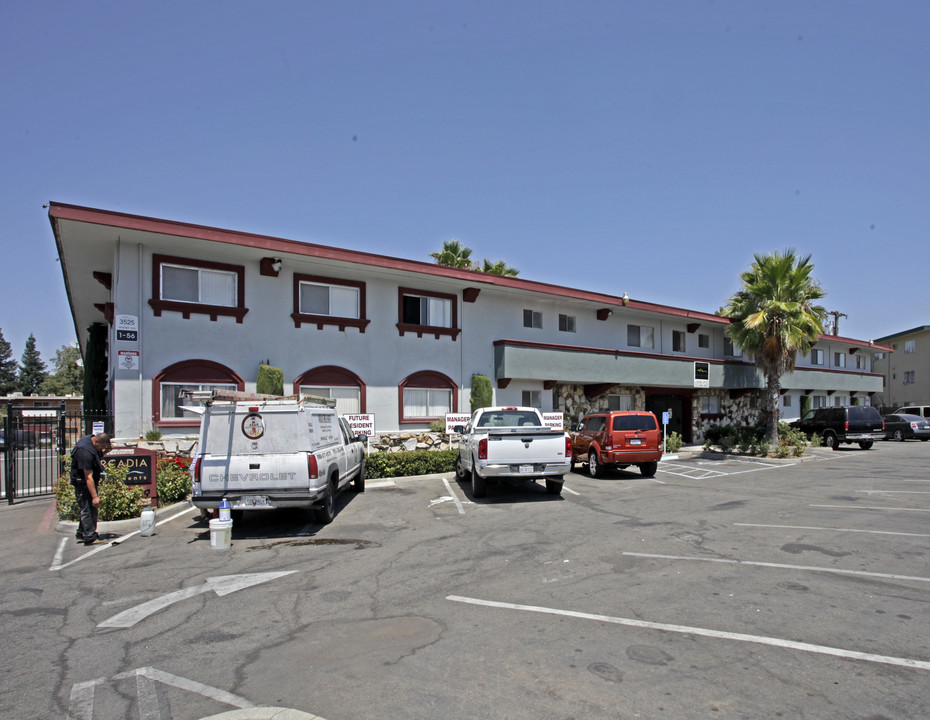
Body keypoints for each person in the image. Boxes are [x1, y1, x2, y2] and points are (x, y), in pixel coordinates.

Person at [70, 432, 112, 545]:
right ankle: (90, 537)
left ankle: (81, 533)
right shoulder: (85, 452)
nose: (102, 449)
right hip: (82, 483)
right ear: (96, 441)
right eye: (101, 447)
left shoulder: (91, 440)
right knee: (88, 509)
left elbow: (97, 454)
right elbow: (88, 477)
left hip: (87, 481)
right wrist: (95, 496)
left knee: (87, 508)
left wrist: (105, 450)